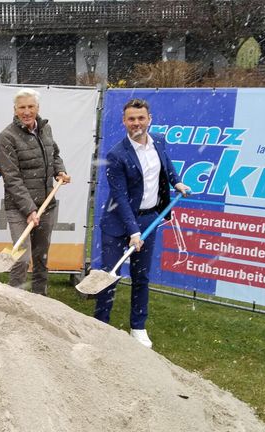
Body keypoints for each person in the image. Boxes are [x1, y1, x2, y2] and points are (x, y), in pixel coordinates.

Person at [95, 98, 190, 349]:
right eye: (131, 119)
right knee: (109, 275)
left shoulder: (158, 140)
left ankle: (138, 327)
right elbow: (121, 198)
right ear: (124, 121)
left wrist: (176, 182)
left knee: (141, 277)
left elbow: (165, 165)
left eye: (141, 118)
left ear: (149, 119)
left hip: (149, 217)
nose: (136, 123)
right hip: (118, 223)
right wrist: (133, 231)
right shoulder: (117, 155)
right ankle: (99, 326)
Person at [0, 88, 71, 296]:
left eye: (30, 106)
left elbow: (54, 153)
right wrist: (29, 209)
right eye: (22, 107)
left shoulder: (45, 129)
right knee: (21, 258)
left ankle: (40, 299)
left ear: (38, 108)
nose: (26, 111)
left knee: (41, 257)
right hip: (19, 208)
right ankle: (13, 300)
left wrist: (60, 170)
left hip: (47, 203)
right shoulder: (6, 137)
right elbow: (11, 178)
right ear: (15, 109)